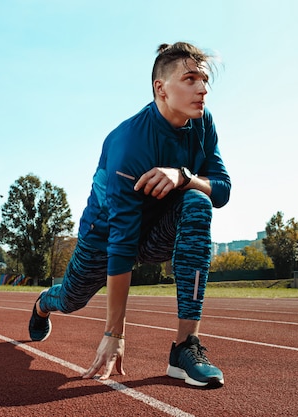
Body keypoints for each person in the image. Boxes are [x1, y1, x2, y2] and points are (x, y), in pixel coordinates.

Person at [28, 41, 231, 388]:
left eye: (205, 80)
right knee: (71, 299)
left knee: (197, 200)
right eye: (191, 79)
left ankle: (185, 347)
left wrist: (182, 176)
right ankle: (44, 303)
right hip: (104, 236)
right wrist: (114, 333)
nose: (203, 88)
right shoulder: (129, 142)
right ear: (161, 88)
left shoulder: (203, 123)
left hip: (157, 232)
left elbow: (222, 190)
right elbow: (121, 243)